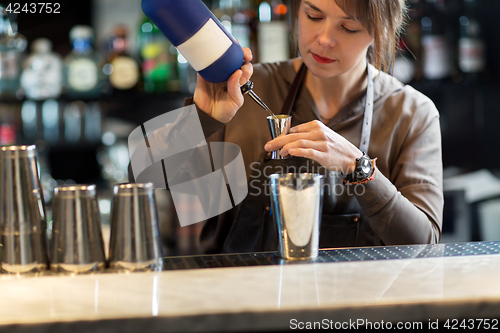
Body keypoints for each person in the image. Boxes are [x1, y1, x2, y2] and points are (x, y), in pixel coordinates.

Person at [181, 0, 443, 254]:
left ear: (382, 29)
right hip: (244, 295)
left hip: (359, 297)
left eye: (349, 27)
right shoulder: (242, 90)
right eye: (314, 16)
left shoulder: (412, 113)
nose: (324, 39)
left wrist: (359, 168)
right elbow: (153, 185)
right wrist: (201, 119)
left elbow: (425, 243)